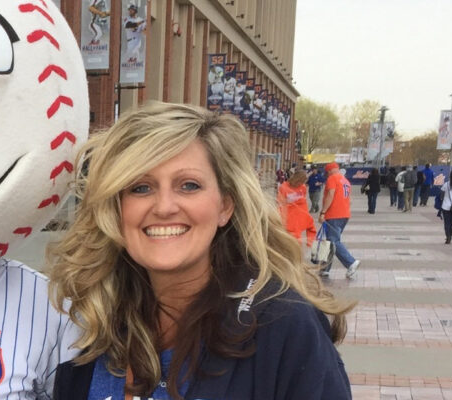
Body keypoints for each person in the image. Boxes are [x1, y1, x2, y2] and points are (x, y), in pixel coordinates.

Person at [48, 103, 352, 399]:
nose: (164, 207)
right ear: (115, 208)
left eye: (189, 185)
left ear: (225, 205)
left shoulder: (282, 325)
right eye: (140, 187)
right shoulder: (92, 320)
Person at [319, 162, 361, 278]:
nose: (327, 175)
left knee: (333, 241)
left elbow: (330, 195)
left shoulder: (332, 179)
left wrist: (323, 212)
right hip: (344, 214)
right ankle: (325, 268)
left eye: (327, 173)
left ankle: (350, 262)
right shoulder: (345, 181)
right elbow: (349, 199)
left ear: (329, 171)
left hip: (333, 214)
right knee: (330, 241)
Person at [279, 170, 316, 245]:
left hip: (299, 216)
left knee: (297, 240)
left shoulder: (303, 187)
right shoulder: (284, 187)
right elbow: (280, 202)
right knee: (287, 240)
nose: (301, 184)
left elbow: (304, 201)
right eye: (300, 181)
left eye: (303, 182)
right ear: (295, 179)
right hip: (288, 217)